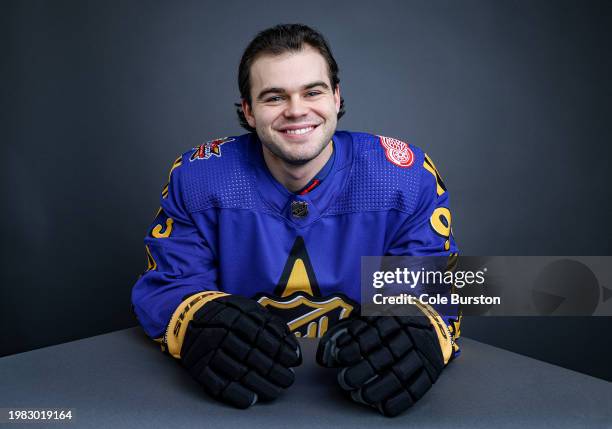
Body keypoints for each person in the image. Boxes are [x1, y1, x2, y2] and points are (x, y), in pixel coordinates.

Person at [131, 23, 460, 417]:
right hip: (243, 407)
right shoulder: (198, 177)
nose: (297, 110)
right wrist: (197, 319)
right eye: (274, 97)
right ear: (248, 112)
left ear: (337, 98)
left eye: (313, 91)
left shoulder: (403, 176)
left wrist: (422, 325)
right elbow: (168, 285)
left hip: (354, 399)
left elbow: (441, 290)